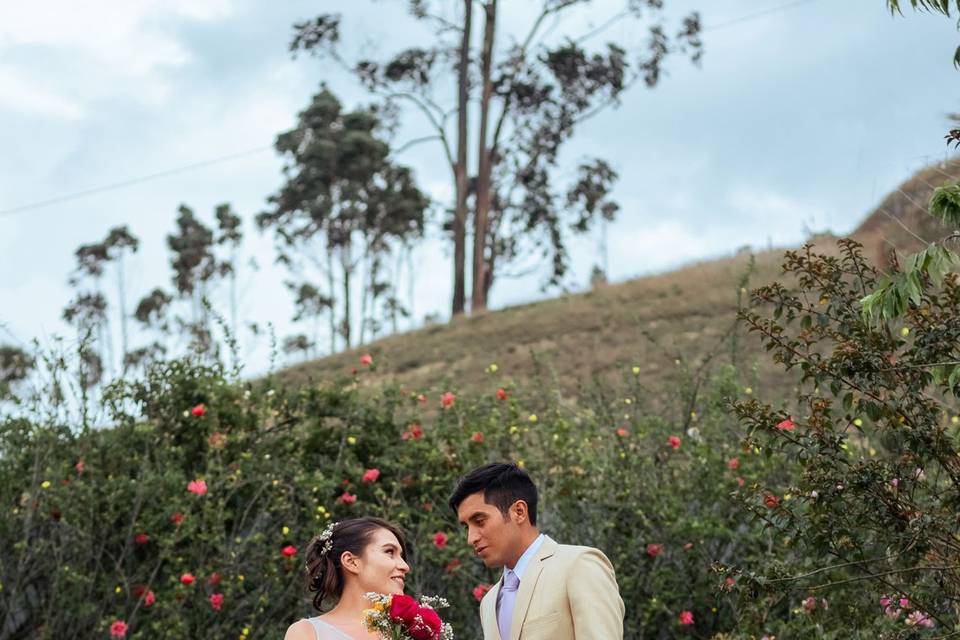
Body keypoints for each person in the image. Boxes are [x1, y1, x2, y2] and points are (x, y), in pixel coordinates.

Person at [450, 462, 624, 640]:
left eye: (480, 521)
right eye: (466, 527)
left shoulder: (579, 566)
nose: (471, 538)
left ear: (519, 511)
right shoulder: (488, 603)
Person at [285, 517, 411, 640]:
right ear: (351, 562)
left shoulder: (413, 631)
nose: (405, 566)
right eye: (389, 552)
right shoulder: (308, 633)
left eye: (401, 556)